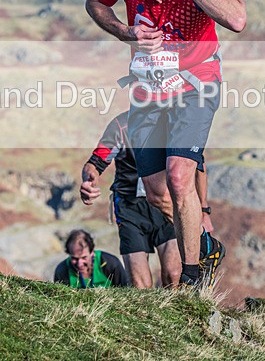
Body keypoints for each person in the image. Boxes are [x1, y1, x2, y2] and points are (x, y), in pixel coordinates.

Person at [86, 0, 245, 288]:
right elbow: (95, 2)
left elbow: (238, 19)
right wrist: (124, 32)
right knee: (158, 192)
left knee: (178, 177)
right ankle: (205, 243)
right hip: (146, 86)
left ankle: (191, 278)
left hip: (196, 82)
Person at [80, 111, 215, 288]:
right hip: (130, 210)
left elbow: (198, 167)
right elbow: (95, 162)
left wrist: (204, 211)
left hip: (166, 206)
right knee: (139, 283)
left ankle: (173, 314)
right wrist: (89, 179)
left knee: (173, 276)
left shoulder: (176, 123)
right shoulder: (121, 126)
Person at [53, 229, 130, 288]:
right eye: (75, 258)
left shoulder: (111, 264)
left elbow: (125, 290)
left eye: (84, 257)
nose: (80, 263)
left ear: (92, 252)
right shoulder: (62, 271)